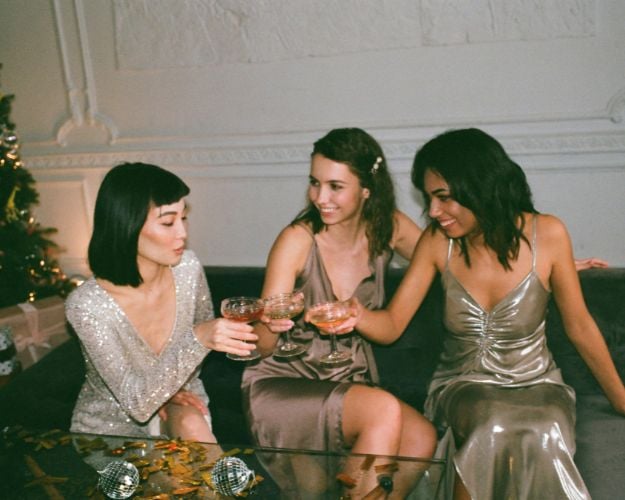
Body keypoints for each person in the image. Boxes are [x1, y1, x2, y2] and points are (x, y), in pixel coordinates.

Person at [350, 128, 625, 499]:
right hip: (463, 385)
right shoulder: (437, 242)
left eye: (443, 197)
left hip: (538, 384)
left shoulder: (550, 234)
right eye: (429, 198)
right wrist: (355, 315)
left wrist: (621, 399)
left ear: (480, 186)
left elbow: (580, 327)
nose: (433, 211)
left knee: (541, 429)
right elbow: (392, 325)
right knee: (493, 423)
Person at [242, 128, 438, 498]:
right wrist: (270, 322)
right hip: (285, 383)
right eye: (315, 183)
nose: (320, 197)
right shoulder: (297, 239)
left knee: (420, 437)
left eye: (336, 186)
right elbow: (263, 346)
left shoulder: (388, 227)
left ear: (367, 190)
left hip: (348, 380)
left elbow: (451, 257)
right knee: (382, 410)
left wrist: (527, 263)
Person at [66, 162, 257, 442]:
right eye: (168, 222)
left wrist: (167, 388)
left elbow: (196, 362)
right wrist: (198, 338)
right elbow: (138, 404)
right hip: (112, 431)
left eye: (184, 218)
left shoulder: (188, 268)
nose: (182, 233)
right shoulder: (86, 305)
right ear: (128, 226)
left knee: (191, 424)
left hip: (183, 401)